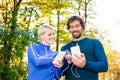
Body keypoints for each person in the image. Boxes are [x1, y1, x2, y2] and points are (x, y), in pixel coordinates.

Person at [60, 15, 108, 80]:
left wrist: (85, 64)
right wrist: (65, 64)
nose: (74, 29)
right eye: (72, 27)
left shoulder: (94, 43)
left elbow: (104, 66)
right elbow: (62, 72)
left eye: (77, 26)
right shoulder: (64, 48)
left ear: (82, 27)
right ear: (69, 29)